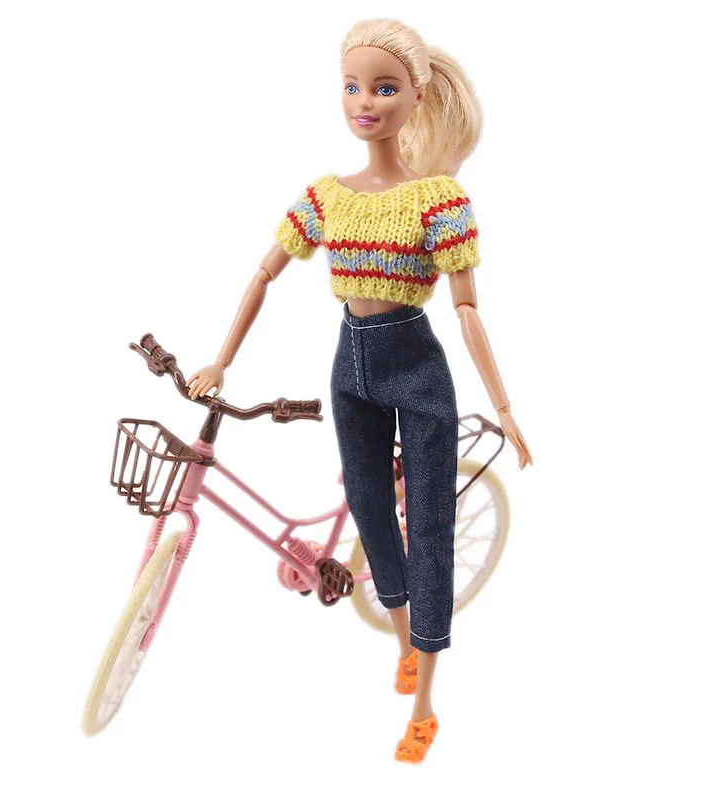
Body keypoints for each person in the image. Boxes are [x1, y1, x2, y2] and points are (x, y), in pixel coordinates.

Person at [186, 18, 533, 763]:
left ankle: (426, 704)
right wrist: (221, 361)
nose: (364, 102)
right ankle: (405, 646)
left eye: (383, 88)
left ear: (416, 96)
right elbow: (264, 274)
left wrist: (504, 407)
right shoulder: (326, 196)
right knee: (373, 516)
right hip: (350, 367)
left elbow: (468, 309)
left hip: (417, 365)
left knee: (428, 527)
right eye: (352, 86)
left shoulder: (440, 201)